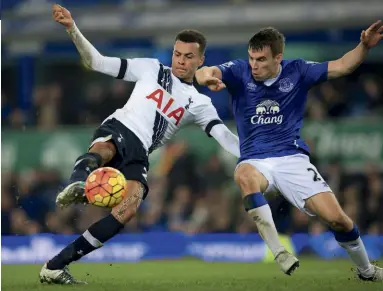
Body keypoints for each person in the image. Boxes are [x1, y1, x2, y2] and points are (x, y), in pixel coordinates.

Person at [40, 4, 241, 284]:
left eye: (188, 56)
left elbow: (223, 136)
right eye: (177, 53)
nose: (181, 61)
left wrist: (253, 156)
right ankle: (78, 181)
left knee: (127, 210)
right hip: (120, 127)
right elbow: (96, 62)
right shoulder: (151, 68)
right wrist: (72, 28)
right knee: (105, 150)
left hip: (140, 152)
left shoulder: (200, 103)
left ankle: (55, 265)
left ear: (201, 60)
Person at [195, 21, 383, 282]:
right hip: (255, 159)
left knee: (339, 220)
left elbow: (342, 66)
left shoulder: (299, 71)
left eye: (261, 59)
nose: (254, 65)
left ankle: (368, 271)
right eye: (252, 58)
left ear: (278, 57)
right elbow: (206, 71)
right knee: (244, 176)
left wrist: (363, 46)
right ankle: (279, 251)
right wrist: (204, 76)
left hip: (292, 159)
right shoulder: (239, 71)